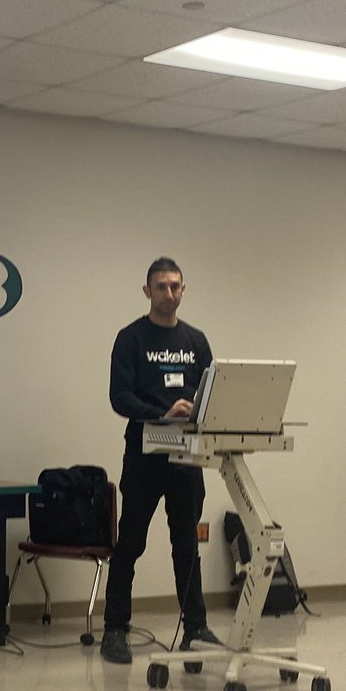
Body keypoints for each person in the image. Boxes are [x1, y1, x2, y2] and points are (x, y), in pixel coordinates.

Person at [99, 256, 221, 664]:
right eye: (161, 286)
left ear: (183, 291)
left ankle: (196, 628)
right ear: (147, 291)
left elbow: (212, 394)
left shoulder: (196, 341)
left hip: (187, 458)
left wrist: (197, 412)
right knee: (130, 542)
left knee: (187, 544)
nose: (169, 293)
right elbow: (120, 396)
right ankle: (115, 630)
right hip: (145, 454)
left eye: (175, 286)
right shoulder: (131, 338)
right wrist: (159, 414)